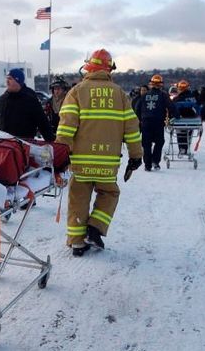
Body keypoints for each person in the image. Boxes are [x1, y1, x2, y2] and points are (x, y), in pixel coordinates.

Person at [55, 49, 142, 256]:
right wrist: (136, 156)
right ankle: (95, 229)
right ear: (109, 69)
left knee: (78, 198)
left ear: (88, 68)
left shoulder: (76, 92)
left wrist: (59, 156)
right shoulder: (120, 94)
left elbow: (66, 128)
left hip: (80, 162)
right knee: (110, 193)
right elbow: (132, 128)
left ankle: (77, 242)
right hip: (107, 163)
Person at [0, 68, 55, 140]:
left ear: (18, 81)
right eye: (7, 79)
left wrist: (51, 143)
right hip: (5, 146)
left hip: (25, 146)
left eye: (10, 79)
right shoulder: (2, 100)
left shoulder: (30, 99)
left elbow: (43, 123)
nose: (7, 82)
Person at [136, 74, 173, 171]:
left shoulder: (144, 96)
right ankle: (155, 161)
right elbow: (171, 107)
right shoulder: (163, 95)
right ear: (161, 84)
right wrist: (176, 116)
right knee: (159, 142)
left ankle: (147, 165)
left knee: (146, 144)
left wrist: (140, 120)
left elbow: (137, 108)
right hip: (158, 122)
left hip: (146, 123)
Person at [171, 79, 200, 155]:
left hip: (180, 120)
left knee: (180, 134)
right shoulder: (193, 97)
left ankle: (182, 148)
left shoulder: (177, 99)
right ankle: (186, 148)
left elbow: (173, 110)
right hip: (192, 120)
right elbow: (198, 108)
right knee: (188, 134)